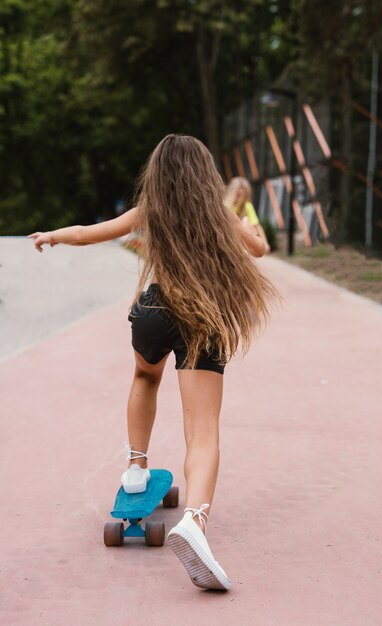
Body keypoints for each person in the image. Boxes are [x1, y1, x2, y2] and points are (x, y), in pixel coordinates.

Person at [29, 134, 279, 591]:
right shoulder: (218, 214)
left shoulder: (150, 211)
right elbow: (259, 250)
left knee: (144, 377)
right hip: (202, 317)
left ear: (156, 173)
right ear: (206, 175)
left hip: (153, 311)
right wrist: (253, 229)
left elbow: (88, 234)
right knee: (202, 430)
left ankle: (138, 468)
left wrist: (52, 236)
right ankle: (195, 522)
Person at [224, 176, 271, 253]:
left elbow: (257, 225)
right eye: (238, 195)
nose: (239, 199)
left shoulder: (247, 206)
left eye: (242, 196)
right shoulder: (225, 205)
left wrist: (265, 243)